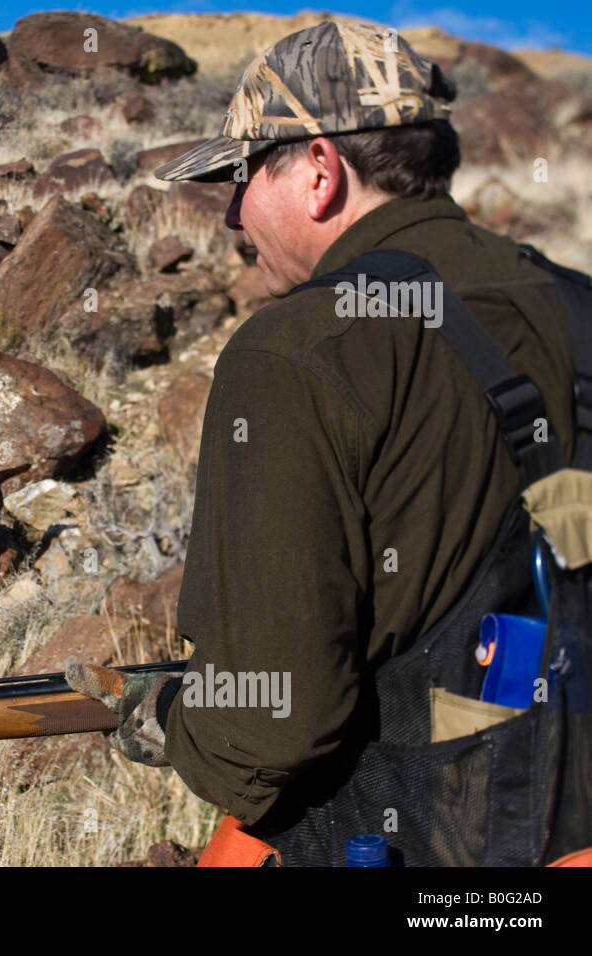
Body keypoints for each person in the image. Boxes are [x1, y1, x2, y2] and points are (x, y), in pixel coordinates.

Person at [65, 18, 585, 865]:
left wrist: (166, 718)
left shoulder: (295, 349)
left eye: (240, 176)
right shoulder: (577, 300)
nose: (231, 214)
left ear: (318, 169)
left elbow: (269, 726)